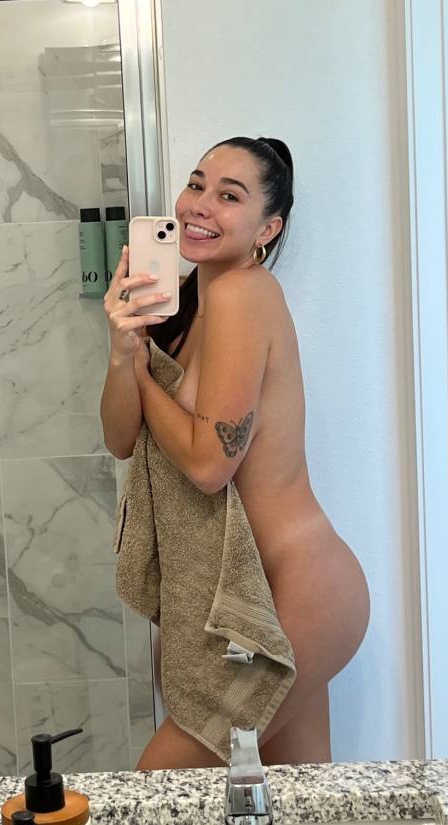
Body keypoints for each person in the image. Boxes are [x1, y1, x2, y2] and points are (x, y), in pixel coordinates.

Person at [100, 136, 370, 768]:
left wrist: (142, 377)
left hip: (295, 588)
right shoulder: (179, 302)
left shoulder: (244, 292)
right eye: (196, 185)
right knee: (290, 797)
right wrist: (122, 351)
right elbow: (120, 439)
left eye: (229, 196)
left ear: (266, 229)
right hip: (229, 598)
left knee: (159, 786)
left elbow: (207, 465)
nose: (200, 205)